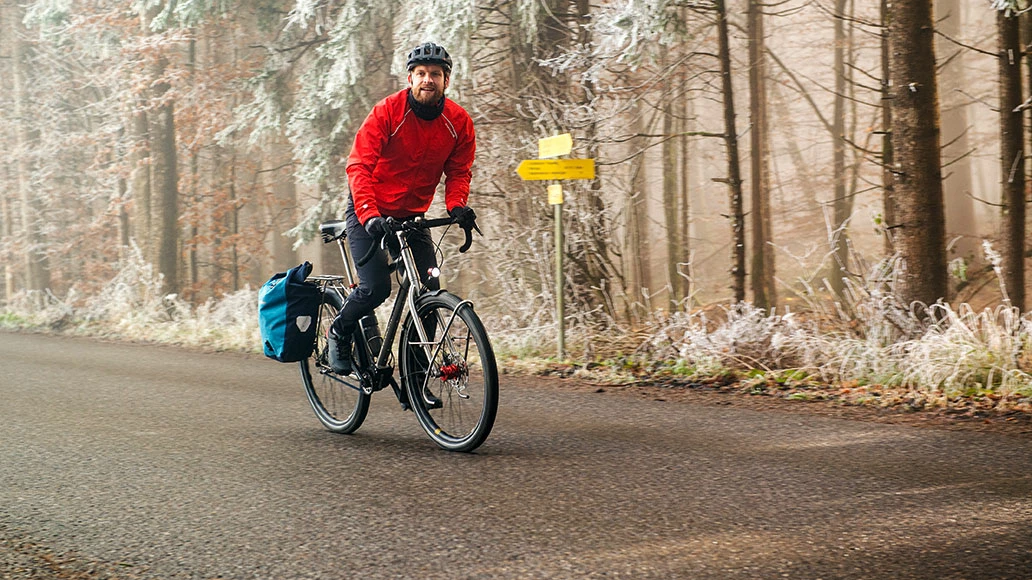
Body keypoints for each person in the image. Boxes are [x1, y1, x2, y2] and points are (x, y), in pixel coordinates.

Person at [328, 42, 477, 375]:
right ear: (410, 78)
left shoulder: (459, 122)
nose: (428, 80)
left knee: (429, 287)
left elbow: (458, 171)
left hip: (411, 217)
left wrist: (457, 206)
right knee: (376, 287)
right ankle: (339, 332)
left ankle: (417, 375)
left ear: (446, 81)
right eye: (421, 74)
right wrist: (369, 214)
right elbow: (359, 166)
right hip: (369, 211)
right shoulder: (387, 112)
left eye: (435, 74)